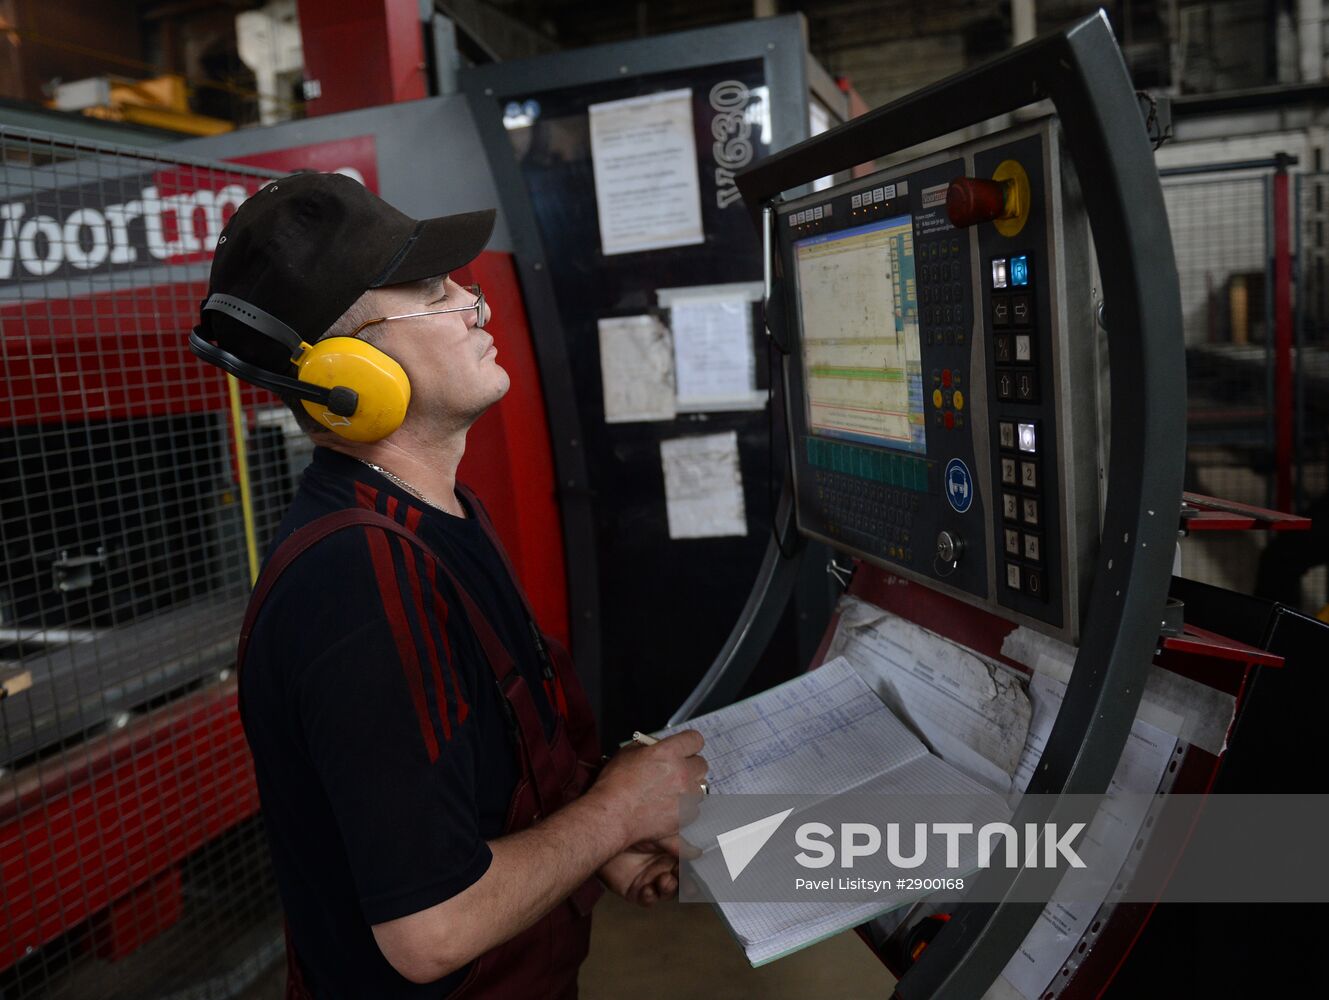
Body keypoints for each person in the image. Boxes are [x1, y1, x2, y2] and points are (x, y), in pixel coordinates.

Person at [190, 172, 708, 998]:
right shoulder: (356, 582)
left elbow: (489, 790)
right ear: (346, 375)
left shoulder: (442, 514)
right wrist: (620, 811)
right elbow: (431, 931)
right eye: (432, 288)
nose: (477, 304)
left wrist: (594, 847)